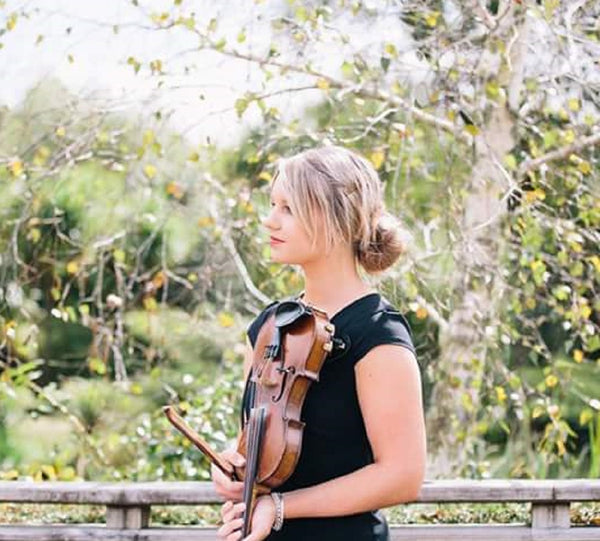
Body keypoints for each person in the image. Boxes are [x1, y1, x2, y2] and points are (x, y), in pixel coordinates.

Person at [212, 145, 426, 541]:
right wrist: (233, 463)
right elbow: (264, 437)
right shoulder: (269, 326)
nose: (269, 220)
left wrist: (279, 508)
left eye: (287, 209)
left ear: (333, 219)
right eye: (272, 204)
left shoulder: (378, 333)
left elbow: (403, 476)